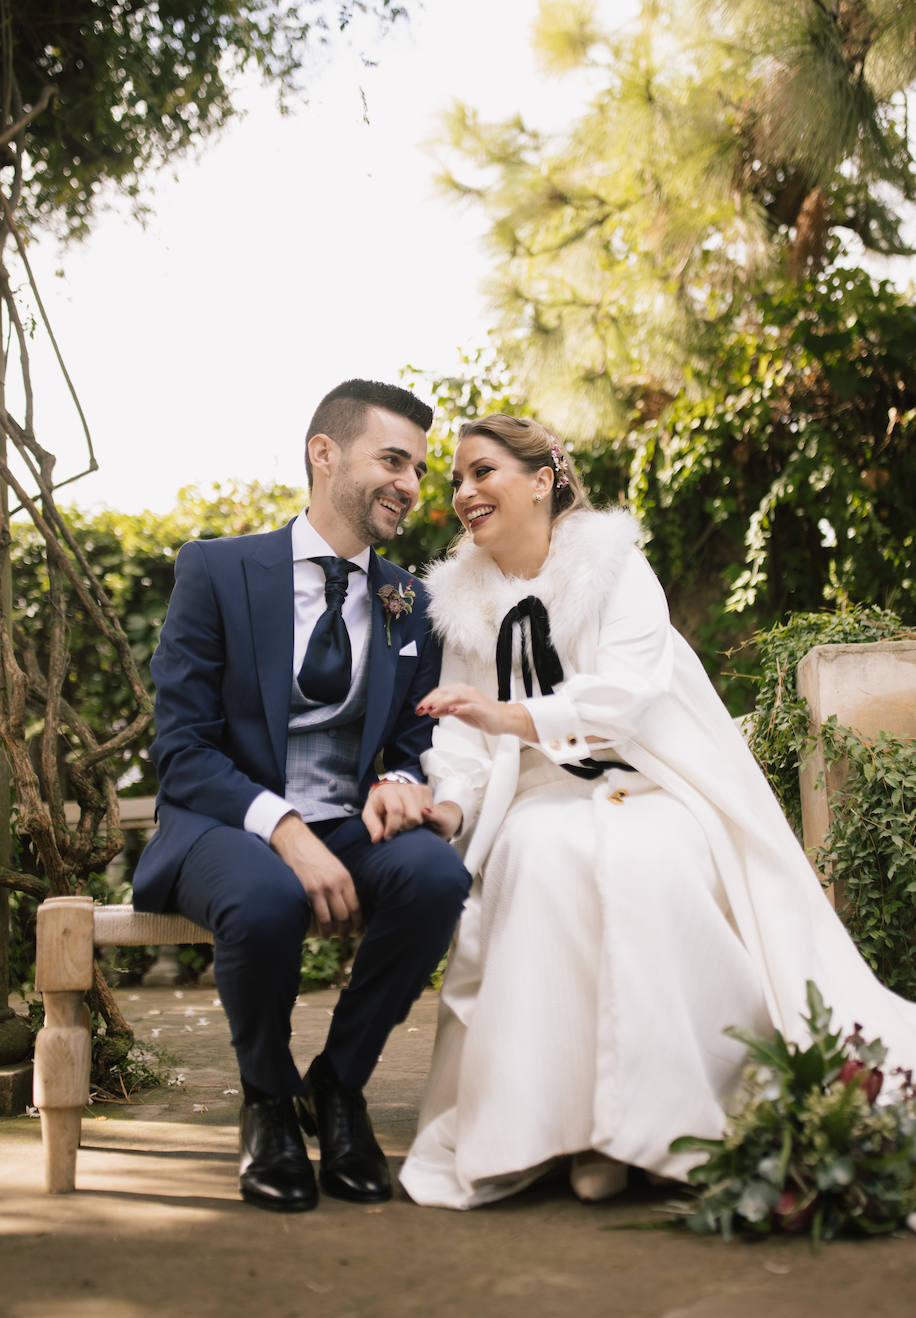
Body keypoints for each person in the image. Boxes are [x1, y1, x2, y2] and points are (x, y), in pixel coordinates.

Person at [398, 413, 916, 1210]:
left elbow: (630, 694)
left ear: (543, 479)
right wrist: (449, 810)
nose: (464, 492)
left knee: (653, 863)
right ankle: (564, 1135)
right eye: (457, 479)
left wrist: (517, 717)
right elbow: (462, 743)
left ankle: (659, 1131)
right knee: (540, 860)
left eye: (483, 471)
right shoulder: (461, 604)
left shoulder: (614, 566)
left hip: (657, 782)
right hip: (543, 795)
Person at [133, 379, 470, 1213]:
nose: (412, 486)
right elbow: (181, 749)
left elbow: (420, 733)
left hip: (349, 825)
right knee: (262, 898)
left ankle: (340, 1084)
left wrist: (399, 778)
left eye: (420, 470)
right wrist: (282, 828)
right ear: (325, 453)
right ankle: (268, 1099)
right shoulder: (214, 570)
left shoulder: (412, 601)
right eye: (393, 460)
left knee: (437, 879)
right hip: (226, 824)